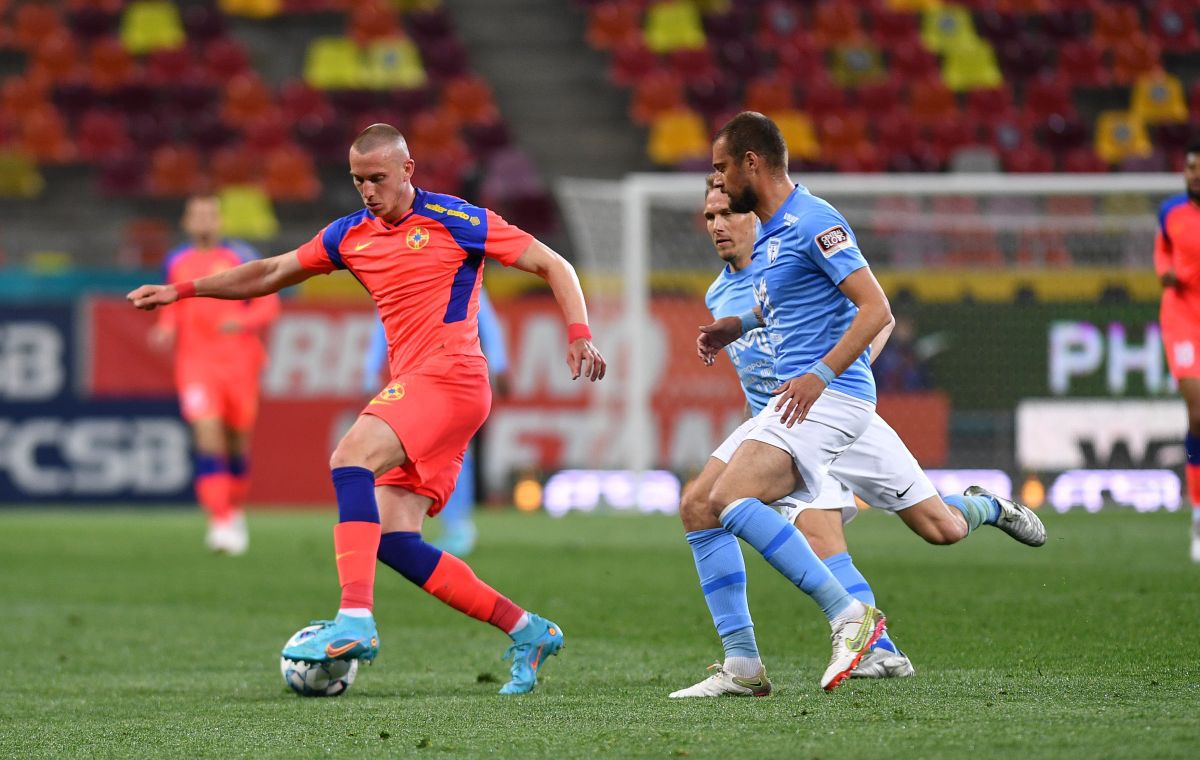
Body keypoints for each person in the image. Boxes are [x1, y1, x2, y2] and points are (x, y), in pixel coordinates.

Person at [129, 124, 606, 695]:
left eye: (378, 178)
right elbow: (271, 272)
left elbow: (555, 263)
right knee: (392, 538)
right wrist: (183, 292)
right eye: (358, 180)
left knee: (349, 456)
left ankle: (355, 619)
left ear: (408, 170)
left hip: (452, 374)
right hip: (426, 384)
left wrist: (578, 332)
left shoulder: (459, 220)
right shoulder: (348, 235)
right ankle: (527, 630)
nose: (368, 190)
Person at [684, 112, 1042, 694]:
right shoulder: (771, 240)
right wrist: (737, 325)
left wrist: (822, 375)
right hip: (792, 412)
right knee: (941, 527)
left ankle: (853, 621)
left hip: (824, 403)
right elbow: (790, 308)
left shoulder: (814, 220)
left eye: (723, 173)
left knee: (732, 498)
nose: (719, 190)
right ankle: (750, 665)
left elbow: (876, 309)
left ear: (752, 163)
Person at [149, 195, 280, 556]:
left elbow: (268, 303)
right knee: (208, 438)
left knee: (237, 443)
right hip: (195, 364)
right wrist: (165, 326)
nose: (204, 221)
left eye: (210, 215)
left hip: (240, 363)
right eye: (197, 215)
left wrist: (243, 320)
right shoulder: (176, 260)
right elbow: (172, 304)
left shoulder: (240, 255)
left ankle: (234, 510)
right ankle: (219, 519)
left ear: (220, 220)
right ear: (187, 222)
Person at [362, 287, 511, 557]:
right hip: (410, 379)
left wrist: (499, 365)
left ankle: (456, 525)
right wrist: (369, 372)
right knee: (408, 450)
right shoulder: (396, 277)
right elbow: (382, 324)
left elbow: (486, 320)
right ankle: (404, 525)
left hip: (448, 376)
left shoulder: (457, 270)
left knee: (452, 451)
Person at [1154, 142, 1200, 563]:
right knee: (1198, 412)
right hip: (1184, 319)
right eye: (1191, 167)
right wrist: (1172, 272)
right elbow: (1163, 259)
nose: (1195, 175)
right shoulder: (1170, 212)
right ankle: (1198, 514)